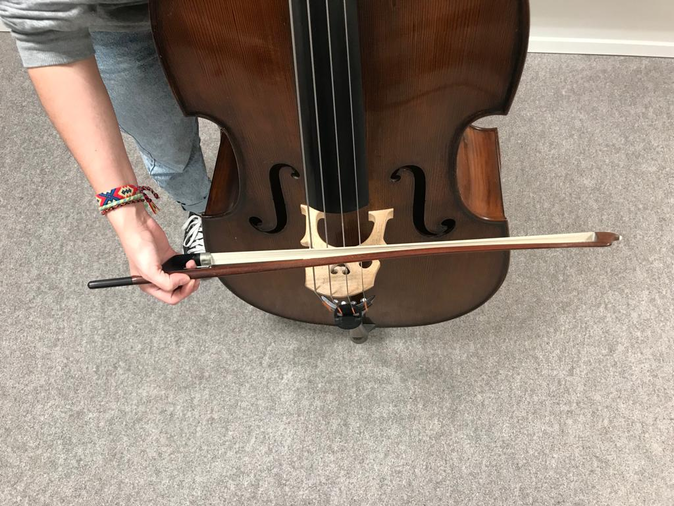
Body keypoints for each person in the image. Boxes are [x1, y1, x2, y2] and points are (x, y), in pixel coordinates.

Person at [0, 1, 207, 304]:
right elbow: (45, 30)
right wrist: (132, 221)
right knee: (170, 148)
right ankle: (205, 209)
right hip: (126, 22)